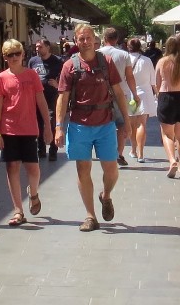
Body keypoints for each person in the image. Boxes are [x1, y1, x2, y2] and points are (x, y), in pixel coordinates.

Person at [54, 24, 131, 232]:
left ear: (95, 40)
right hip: (80, 125)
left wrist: (126, 120)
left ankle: (106, 195)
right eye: (81, 38)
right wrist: (59, 127)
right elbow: (62, 98)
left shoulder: (105, 62)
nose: (85, 41)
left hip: (105, 123)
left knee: (111, 169)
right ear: (76, 41)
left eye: (88, 38)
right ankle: (90, 216)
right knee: (83, 170)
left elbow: (118, 92)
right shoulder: (69, 66)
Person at [0, 39, 53, 226]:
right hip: (9, 129)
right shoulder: (1, 78)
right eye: (9, 55)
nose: (14, 58)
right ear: (4, 57)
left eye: (17, 54)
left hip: (29, 129)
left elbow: (41, 101)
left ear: (23, 55)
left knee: (33, 168)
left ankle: (33, 193)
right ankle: (18, 210)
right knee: (12, 168)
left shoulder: (31, 75)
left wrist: (48, 126)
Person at [98, 28, 140, 166]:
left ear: (104, 38)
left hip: (101, 94)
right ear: (117, 40)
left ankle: (106, 152)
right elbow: (129, 77)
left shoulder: (97, 54)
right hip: (121, 93)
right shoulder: (124, 55)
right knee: (122, 125)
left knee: (104, 124)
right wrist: (135, 94)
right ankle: (119, 153)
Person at [155, 35, 180, 178]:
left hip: (166, 97)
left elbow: (157, 84)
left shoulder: (162, 62)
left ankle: (172, 161)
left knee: (167, 134)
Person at [28, 39, 63, 161]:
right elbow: (28, 77)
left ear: (48, 47)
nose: (37, 49)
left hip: (51, 96)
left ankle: (53, 150)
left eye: (40, 47)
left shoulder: (57, 61)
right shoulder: (33, 61)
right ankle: (41, 149)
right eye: (36, 47)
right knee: (38, 123)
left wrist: (57, 85)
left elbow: (65, 78)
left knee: (51, 122)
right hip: (36, 97)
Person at [126, 38, 156, 163]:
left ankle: (133, 150)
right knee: (142, 124)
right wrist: (157, 93)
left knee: (132, 124)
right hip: (144, 94)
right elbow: (152, 80)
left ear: (128, 47)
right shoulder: (147, 60)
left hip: (130, 94)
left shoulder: (125, 59)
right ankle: (141, 154)